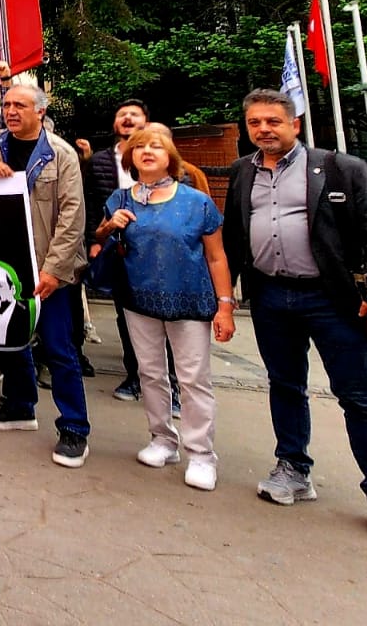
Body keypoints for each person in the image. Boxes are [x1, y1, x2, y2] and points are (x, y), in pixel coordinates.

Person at [221, 89, 367, 547]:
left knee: (357, 396)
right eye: (254, 123)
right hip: (270, 296)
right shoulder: (241, 172)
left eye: (273, 121)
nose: (264, 129)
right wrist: (225, 298)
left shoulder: (342, 168)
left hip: (331, 300)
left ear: (295, 125)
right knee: (285, 386)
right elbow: (231, 237)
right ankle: (293, 468)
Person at [95, 128, 233, 491]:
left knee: (192, 379)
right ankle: (162, 440)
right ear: (129, 157)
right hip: (138, 300)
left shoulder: (196, 201)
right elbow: (99, 237)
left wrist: (225, 306)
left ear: (170, 155)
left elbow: (217, 257)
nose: (146, 151)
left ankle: (201, 454)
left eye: (155, 146)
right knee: (150, 373)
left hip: (188, 299)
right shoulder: (120, 198)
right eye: (138, 147)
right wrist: (111, 224)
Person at [0, 83, 91, 468]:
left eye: (20, 104)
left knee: (59, 349)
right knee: (11, 339)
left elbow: (72, 218)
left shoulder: (62, 155)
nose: (11, 110)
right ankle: (20, 406)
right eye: (6, 104)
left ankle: (74, 428)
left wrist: (54, 270)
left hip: (47, 268)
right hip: (8, 265)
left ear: (40, 111)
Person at [83, 98, 151, 400]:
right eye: (122, 115)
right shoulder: (98, 162)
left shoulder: (156, 156)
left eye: (134, 115)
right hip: (115, 246)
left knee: (164, 318)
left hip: (155, 250)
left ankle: (171, 384)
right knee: (127, 317)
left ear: (145, 123)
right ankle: (134, 376)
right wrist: (94, 242)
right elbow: (88, 203)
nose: (127, 119)